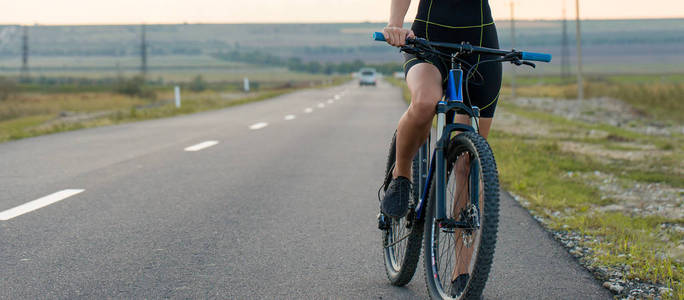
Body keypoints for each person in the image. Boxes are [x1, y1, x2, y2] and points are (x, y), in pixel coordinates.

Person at [380, 0, 502, 296]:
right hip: (427, 41)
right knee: (424, 103)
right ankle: (402, 175)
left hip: (481, 47)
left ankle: (461, 273)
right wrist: (396, 23)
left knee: (468, 164)